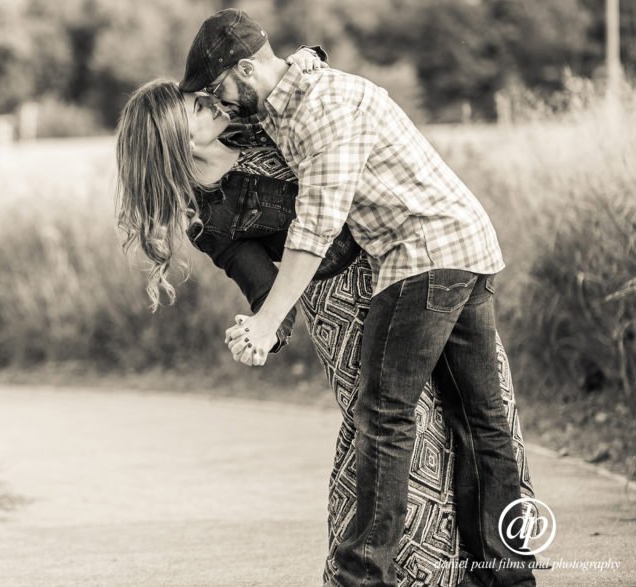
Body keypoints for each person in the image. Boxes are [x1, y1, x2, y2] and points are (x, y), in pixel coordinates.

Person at [114, 61, 535, 586]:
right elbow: (267, 289)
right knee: (411, 433)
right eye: (196, 106)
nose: (210, 103)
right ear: (172, 138)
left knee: (482, 415)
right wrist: (262, 333)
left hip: (405, 253)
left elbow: (319, 109)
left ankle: (497, 569)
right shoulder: (208, 219)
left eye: (204, 98)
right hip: (339, 303)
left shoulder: (255, 123)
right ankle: (419, 575)